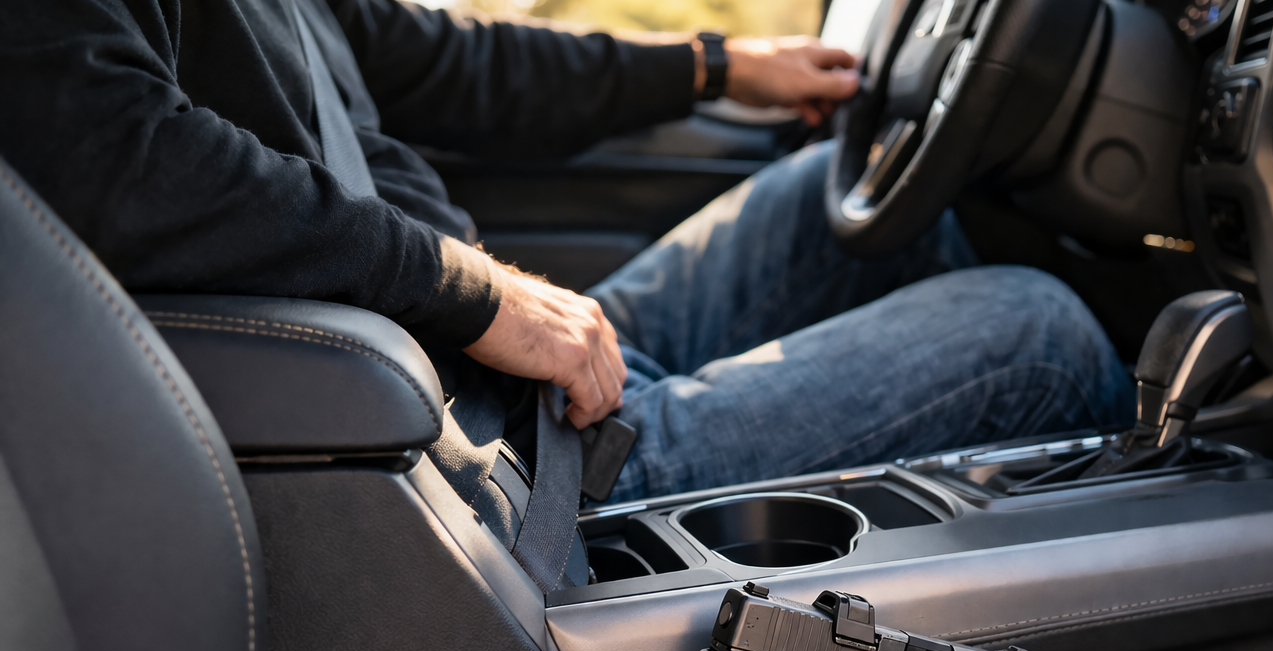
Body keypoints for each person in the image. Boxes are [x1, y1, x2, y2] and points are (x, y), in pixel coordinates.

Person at [0, 0, 1133, 501]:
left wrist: (715, 66)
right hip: (478, 461)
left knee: (818, 201)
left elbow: (442, 63)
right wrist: (471, 289)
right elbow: (119, 166)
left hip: (481, 379)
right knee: (1039, 330)